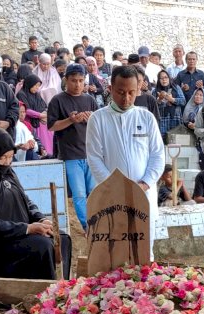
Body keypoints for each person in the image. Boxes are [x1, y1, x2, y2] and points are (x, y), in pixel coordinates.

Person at [0, 127, 71, 304]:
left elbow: (25, 201)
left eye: (10, 157)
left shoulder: (6, 171)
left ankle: (60, 289)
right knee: (42, 245)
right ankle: (40, 298)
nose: (8, 163)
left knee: (62, 237)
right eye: (2, 158)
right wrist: (27, 228)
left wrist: (41, 219)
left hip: (15, 234)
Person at [86, 65, 165, 260]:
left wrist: (144, 184)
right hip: (112, 195)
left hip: (144, 192)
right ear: (111, 88)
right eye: (121, 92)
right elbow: (94, 158)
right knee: (116, 245)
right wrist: (115, 187)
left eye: (131, 92)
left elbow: (157, 155)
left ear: (138, 89)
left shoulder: (146, 117)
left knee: (145, 245)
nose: (126, 98)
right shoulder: (98, 119)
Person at [47, 64, 99, 230]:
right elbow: (52, 126)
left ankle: (98, 223)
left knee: (94, 192)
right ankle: (87, 226)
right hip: (70, 154)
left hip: (90, 153)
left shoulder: (89, 99)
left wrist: (92, 119)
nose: (77, 84)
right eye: (73, 80)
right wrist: (71, 120)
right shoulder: (58, 100)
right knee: (79, 194)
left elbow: (100, 124)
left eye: (81, 80)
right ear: (66, 80)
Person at [16, 74, 53, 156]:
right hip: (31, 123)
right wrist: (40, 115)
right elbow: (26, 110)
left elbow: (44, 106)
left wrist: (45, 113)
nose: (37, 88)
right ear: (30, 84)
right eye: (35, 85)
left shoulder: (37, 94)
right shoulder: (21, 94)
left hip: (42, 123)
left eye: (38, 86)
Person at [152, 69, 186, 141]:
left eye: (166, 77)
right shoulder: (155, 91)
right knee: (162, 141)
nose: (164, 80)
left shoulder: (176, 88)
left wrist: (172, 99)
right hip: (162, 121)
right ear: (158, 80)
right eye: (161, 78)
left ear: (169, 78)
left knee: (176, 143)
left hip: (175, 119)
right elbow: (153, 107)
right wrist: (159, 99)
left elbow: (183, 101)